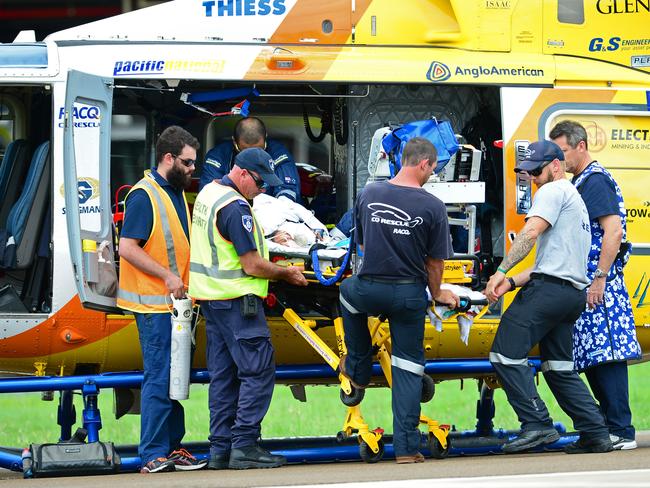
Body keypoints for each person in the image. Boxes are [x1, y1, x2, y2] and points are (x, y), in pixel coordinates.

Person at [485, 140, 613, 455]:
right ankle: (596, 432)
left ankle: (537, 424)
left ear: (556, 165)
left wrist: (501, 270)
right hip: (570, 295)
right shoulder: (576, 201)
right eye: (527, 173)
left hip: (550, 292)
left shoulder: (552, 192)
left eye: (536, 171)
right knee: (558, 368)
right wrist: (512, 281)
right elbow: (550, 262)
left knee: (504, 354)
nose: (532, 178)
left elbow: (529, 234)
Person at [338, 137, 460, 464]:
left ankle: (359, 368)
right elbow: (435, 263)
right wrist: (436, 294)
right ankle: (407, 450)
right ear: (424, 163)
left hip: (370, 288)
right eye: (433, 168)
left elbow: (360, 247)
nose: (432, 174)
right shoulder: (433, 206)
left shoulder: (368, 194)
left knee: (347, 295)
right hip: (409, 295)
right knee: (408, 367)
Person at [188, 147, 308, 470]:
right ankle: (244, 445)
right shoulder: (234, 207)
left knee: (224, 378)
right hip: (239, 303)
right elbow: (252, 264)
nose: (263, 189)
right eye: (259, 182)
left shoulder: (209, 194)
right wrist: (286, 272)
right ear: (241, 173)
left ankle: (220, 450)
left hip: (213, 303)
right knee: (258, 372)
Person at [117, 126, 207, 473]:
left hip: (174, 307)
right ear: (168, 158)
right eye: (187, 162)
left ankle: (171, 446)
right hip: (155, 306)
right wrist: (168, 277)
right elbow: (128, 247)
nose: (192, 169)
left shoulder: (173, 191)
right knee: (159, 377)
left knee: (174, 376)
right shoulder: (145, 195)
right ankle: (153, 453)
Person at [551, 120, 641, 450]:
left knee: (608, 356)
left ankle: (621, 429)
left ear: (581, 146)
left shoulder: (596, 181)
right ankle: (606, 429)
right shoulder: (583, 181)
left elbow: (613, 231)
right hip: (589, 284)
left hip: (600, 285)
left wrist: (600, 278)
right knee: (592, 356)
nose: (559, 159)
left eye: (562, 151)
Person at [200, 116, 301, 202]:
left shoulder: (279, 153)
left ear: (265, 138)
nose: (253, 157)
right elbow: (208, 194)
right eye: (246, 152)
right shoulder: (218, 156)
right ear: (234, 142)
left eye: (259, 150)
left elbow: (288, 191)